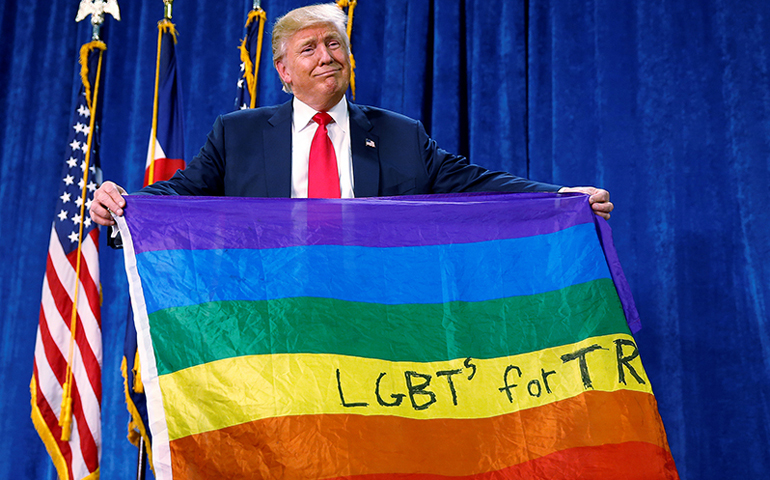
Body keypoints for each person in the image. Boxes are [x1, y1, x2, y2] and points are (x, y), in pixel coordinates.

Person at [89, 3, 612, 227]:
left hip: (369, 319)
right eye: (309, 48)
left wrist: (562, 199)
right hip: (274, 318)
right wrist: (123, 203)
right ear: (284, 70)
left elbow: (477, 183)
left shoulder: (400, 135)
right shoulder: (238, 135)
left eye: (334, 43)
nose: (326, 56)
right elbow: (183, 192)